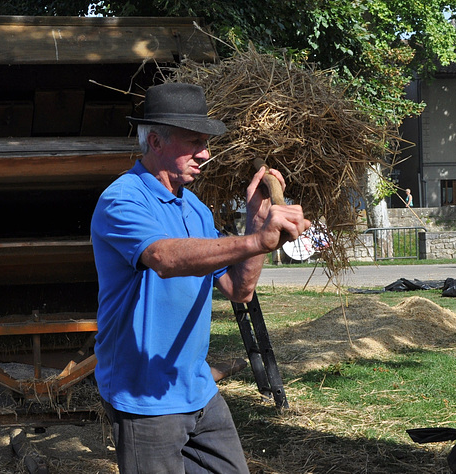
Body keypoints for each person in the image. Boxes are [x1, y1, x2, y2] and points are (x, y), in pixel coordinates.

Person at [90, 83, 311, 473]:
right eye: (194, 142)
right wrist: (255, 239)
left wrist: (256, 225)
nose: (205, 154)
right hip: (144, 395)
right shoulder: (121, 199)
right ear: (155, 140)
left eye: (206, 143)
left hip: (196, 387)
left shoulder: (195, 209)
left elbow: (238, 290)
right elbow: (163, 257)